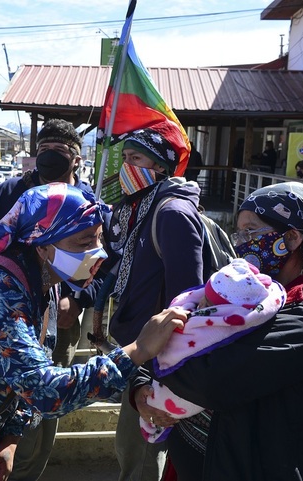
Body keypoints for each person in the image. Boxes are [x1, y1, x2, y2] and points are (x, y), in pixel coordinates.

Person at [0, 183, 186, 481]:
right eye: (83, 242)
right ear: (43, 246)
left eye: (97, 239)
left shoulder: (43, 282)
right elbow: (43, 391)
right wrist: (138, 351)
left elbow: (31, 365)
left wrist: (11, 437)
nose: (98, 253)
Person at [133, 181, 303, 481]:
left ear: (291, 238)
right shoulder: (252, 293)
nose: (241, 243)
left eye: (251, 231)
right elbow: (190, 331)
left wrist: (150, 356)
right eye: (240, 232)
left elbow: (213, 379)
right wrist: (140, 388)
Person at [0, 118, 98, 481]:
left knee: (44, 410)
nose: (49, 161)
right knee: (1, 404)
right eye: (42, 152)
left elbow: (100, 259)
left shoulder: (86, 201)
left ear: (76, 159)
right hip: (8, 322)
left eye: (58, 154)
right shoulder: (13, 192)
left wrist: (77, 299)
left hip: (58, 326)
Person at [102, 121, 204, 481]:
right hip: (137, 349)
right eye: (125, 157)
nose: (127, 166)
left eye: (137, 158)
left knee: (139, 454)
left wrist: (152, 373)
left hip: (156, 358)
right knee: (131, 449)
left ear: (159, 166)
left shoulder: (172, 213)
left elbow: (187, 300)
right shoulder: (139, 208)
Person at [138, 259, 286, 443]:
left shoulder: (231, 333)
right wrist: (138, 385)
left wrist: (142, 354)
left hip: (211, 436)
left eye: (207, 304)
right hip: (188, 433)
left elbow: (178, 362)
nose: (199, 305)